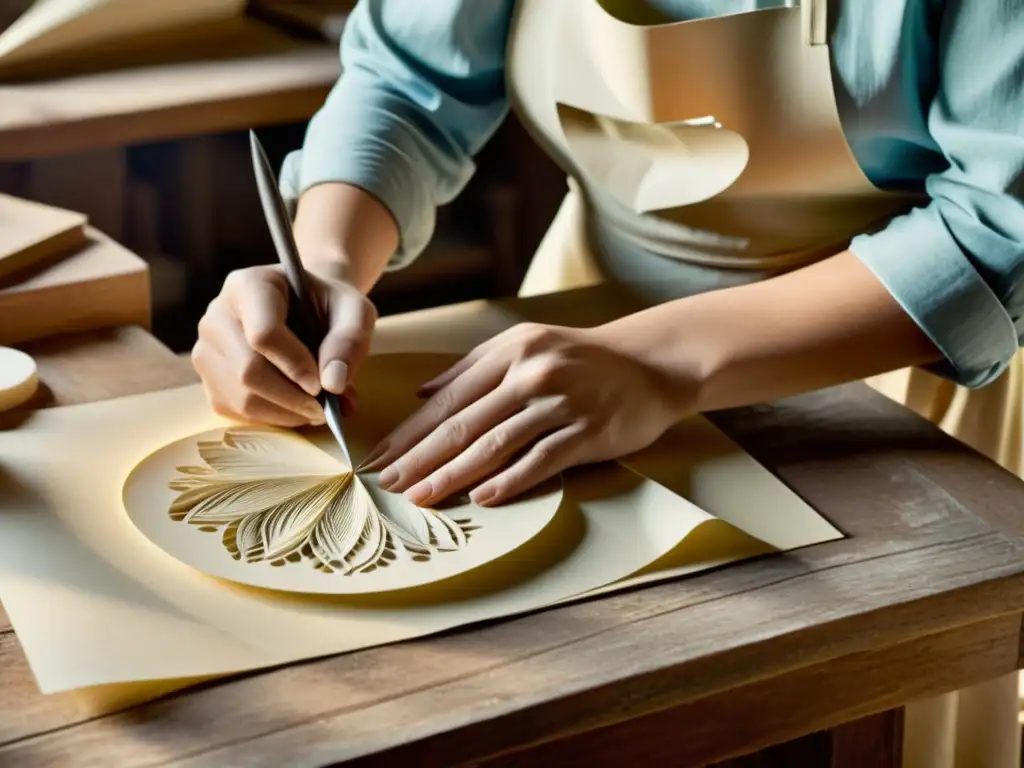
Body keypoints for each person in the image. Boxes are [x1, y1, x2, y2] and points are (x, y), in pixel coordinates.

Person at [191, 1, 1024, 765]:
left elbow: (998, 225)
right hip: (569, 335)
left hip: (876, 366)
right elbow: (408, 83)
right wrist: (325, 269)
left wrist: (660, 362)